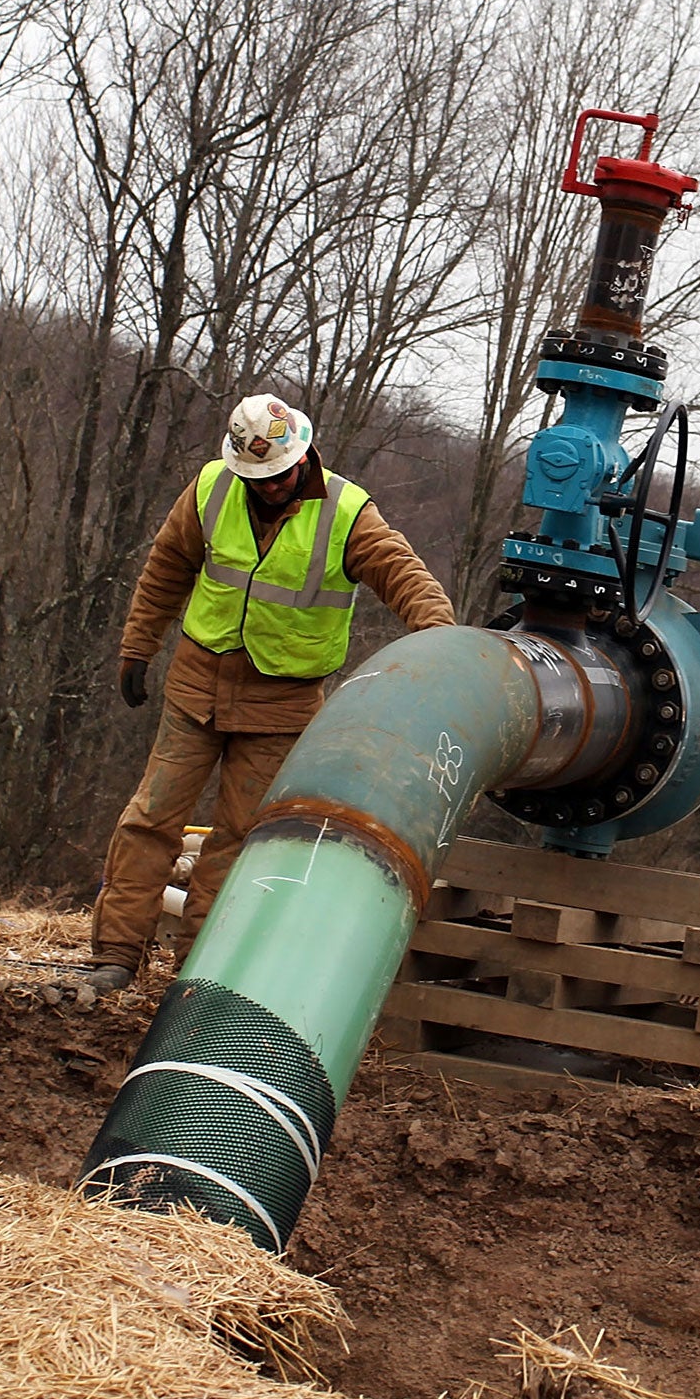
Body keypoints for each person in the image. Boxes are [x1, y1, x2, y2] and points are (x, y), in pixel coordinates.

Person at [80, 394, 455, 993]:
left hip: (282, 705)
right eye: (260, 476)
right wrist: (137, 646)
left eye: (281, 474)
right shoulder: (211, 488)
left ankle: (196, 975)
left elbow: (402, 572)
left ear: (303, 456)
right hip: (196, 684)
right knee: (151, 820)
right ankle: (115, 957)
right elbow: (166, 569)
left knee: (238, 839)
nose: (272, 485)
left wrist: (439, 641)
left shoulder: (347, 512)